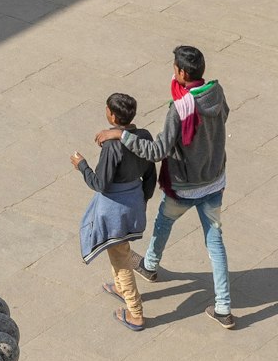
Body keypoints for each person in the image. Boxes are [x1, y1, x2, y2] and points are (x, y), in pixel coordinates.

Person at [95, 44, 234, 330]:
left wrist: (122, 136)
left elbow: (157, 150)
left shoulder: (180, 109)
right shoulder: (216, 93)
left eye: (175, 67)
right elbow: (224, 117)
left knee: (164, 221)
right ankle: (223, 306)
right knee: (215, 242)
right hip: (214, 180)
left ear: (182, 73)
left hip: (185, 185)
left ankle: (151, 265)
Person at [72, 92, 157, 331]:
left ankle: (135, 312)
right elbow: (151, 173)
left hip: (114, 211)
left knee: (120, 256)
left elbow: (100, 184)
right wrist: (143, 199)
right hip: (135, 202)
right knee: (117, 249)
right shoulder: (144, 137)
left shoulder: (112, 147)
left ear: (111, 115)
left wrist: (82, 166)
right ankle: (121, 286)